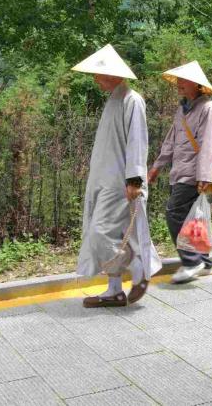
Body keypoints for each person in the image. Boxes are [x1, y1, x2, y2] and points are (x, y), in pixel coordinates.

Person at [73, 45, 162, 308]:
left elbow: (137, 140)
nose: (95, 79)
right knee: (107, 233)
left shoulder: (132, 100)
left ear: (112, 74)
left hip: (118, 183)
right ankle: (114, 290)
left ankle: (137, 267)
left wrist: (134, 179)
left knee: (101, 233)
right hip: (103, 179)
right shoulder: (114, 99)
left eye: (98, 74)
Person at [148, 61, 212, 284]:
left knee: (174, 214)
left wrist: (204, 177)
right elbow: (171, 141)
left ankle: (191, 261)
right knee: (194, 218)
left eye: (183, 80)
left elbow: (209, 144)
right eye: (178, 80)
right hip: (179, 171)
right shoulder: (183, 109)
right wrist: (157, 166)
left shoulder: (208, 109)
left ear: (197, 84)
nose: (179, 84)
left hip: (194, 174)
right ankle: (204, 263)